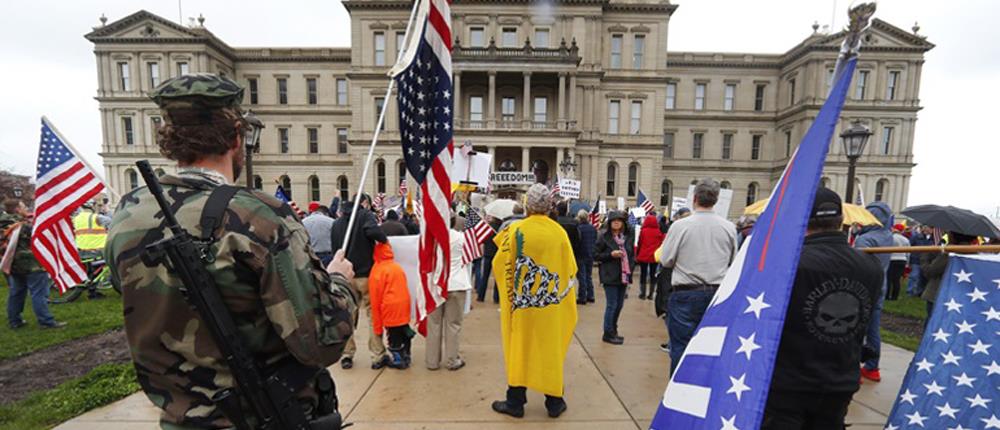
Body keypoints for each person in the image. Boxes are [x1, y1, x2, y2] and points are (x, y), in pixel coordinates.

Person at [104, 74, 356, 428]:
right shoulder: (256, 215)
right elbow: (320, 341)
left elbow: (132, 292)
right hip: (262, 417)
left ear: (168, 139)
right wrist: (340, 284)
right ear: (237, 136)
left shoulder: (128, 213)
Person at [762, 187, 883, 430]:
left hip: (789, 382)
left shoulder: (788, 265)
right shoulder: (871, 266)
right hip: (839, 381)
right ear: (840, 220)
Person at [491, 184, 577, 419]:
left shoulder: (516, 230)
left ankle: (515, 402)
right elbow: (571, 269)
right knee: (550, 349)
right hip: (550, 307)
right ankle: (554, 402)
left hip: (522, 306)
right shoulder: (559, 233)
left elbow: (499, 265)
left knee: (520, 347)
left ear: (527, 206)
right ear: (549, 207)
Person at [659, 179, 737, 374]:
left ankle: (680, 392)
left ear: (694, 199)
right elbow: (732, 261)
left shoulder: (680, 226)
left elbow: (666, 260)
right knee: (710, 348)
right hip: (716, 293)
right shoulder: (728, 227)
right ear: (716, 199)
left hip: (685, 293)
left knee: (680, 347)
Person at [331, 194, 390, 370]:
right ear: (364, 203)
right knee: (373, 316)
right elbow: (374, 232)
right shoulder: (364, 215)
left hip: (345, 277)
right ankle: (377, 354)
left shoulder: (336, 224)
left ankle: (347, 354)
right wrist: (384, 240)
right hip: (365, 274)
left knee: (347, 316)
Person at [2, 199, 65, 329]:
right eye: (24, 207)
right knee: (39, 293)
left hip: (12, 264)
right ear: (17, 210)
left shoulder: (4, 224)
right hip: (32, 264)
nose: (26, 209)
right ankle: (46, 321)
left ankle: (15, 321)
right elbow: (41, 236)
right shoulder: (22, 226)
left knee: (16, 292)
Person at [852, 201, 893, 383]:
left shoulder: (865, 240)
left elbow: (857, 266)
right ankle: (872, 366)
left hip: (862, 288)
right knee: (873, 330)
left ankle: (852, 367)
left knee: (855, 329)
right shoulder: (887, 235)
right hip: (880, 286)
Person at [427, 215, 472, 371]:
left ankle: (432, 361)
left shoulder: (431, 239)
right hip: (457, 282)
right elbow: (471, 255)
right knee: (453, 324)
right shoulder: (461, 237)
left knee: (434, 324)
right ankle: (452, 360)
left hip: (436, 284)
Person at [367, 241, 413, 369]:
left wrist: (377, 327)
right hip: (404, 306)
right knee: (403, 331)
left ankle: (399, 361)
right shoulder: (397, 267)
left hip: (389, 308)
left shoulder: (377, 271)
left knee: (393, 336)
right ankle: (407, 355)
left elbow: (375, 300)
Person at [595, 210, 635, 345]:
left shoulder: (627, 237)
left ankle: (613, 329)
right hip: (609, 274)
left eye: (619, 220)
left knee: (619, 305)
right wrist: (610, 255)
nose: (616, 222)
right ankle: (608, 333)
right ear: (610, 222)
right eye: (614, 220)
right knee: (612, 305)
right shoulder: (603, 236)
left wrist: (631, 267)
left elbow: (631, 255)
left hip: (623, 275)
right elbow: (595, 255)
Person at [920, 232, 977, 323]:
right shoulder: (976, 254)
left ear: (953, 237)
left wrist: (924, 257)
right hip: (963, 296)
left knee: (933, 324)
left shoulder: (951, 253)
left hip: (938, 294)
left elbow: (930, 271)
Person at [72, 201, 112, 299]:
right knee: (103, 266)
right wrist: (107, 210)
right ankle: (93, 291)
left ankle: (91, 288)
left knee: (92, 270)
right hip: (96, 249)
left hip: (82, 249)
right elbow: (112, 221)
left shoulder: (76, 219)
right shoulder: (96, 217)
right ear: (92, 207)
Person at [636, 214, 665, 301]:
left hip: (644, 255)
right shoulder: (658, 232)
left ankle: (643, 293)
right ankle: (651, 294)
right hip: (654, 256)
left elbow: (640, 243)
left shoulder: (643, 231)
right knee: (653, 275)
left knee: (643, 274)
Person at [476, 214, 501, 303]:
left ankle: (481, 296)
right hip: (497, 254)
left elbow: (484, 239)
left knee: (485, 276)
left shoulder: (488, 227)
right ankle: (496, 298)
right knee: (497, 278)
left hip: (488, 253)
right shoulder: (501, 228)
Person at [303, 201, 335, 266]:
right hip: (328, 255)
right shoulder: (331, 221)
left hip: (310, 255)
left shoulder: (303, 222)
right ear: (326, 213)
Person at [575, 209, 597, 305]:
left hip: (581, 254)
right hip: (590, 254)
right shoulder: (593, 228)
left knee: (582, 277)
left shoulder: (579, 228)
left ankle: (582, 296)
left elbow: (578, 242)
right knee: (588, 276)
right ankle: (591, 295)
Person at [906, 225, 933, 297]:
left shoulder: (933, 239)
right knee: (914, 276)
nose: (928, 229)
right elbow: (909, 246)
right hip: (916, 259)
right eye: (927, 227)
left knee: (923, 278)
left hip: (927, 261)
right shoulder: (916, 237)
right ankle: (910, 291)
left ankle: (920, 292)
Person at [886, 224, 910, 301]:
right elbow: (908, 252)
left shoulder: (890, 238)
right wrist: (907, 263)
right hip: (902, 259)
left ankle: (886, 296)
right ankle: (894, 297)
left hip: (892, 259)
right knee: (896, 280)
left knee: (888, 279)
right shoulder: (906, 239)